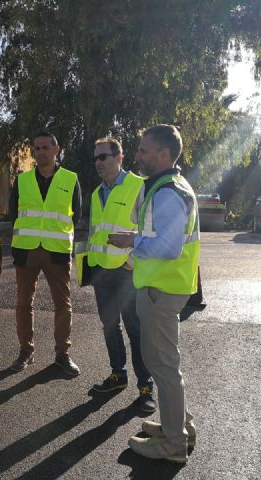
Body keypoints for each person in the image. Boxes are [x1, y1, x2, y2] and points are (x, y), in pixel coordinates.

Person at [109, 124, 199, 463]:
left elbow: (167, 246)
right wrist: (134, 236)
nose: (138, 156)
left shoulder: (168, 191)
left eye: (144, 150)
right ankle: (179, 426)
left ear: (163, 154)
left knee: (162, 366)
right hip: (162, 287)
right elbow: (161, 235)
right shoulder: (165, 186)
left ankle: (174, 444)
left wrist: (131, 241)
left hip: (162, 289)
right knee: (164, 364)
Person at [86, 138, 156, 413]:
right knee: (109, 326)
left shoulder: (139, 186)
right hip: (102, 272)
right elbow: (94, 232)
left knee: (135, 330)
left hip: (128, 273)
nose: (98, 163)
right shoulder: (96, 193)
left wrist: (132, 261)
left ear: (119, 157)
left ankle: (146, 386)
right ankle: (118, 375)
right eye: (96, 158)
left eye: (103, 157)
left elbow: (149, 230)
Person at [9, 131, 82, 376]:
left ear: (56, 150)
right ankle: (25, 351)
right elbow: (13, 214)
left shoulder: (71, 179)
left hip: (57, 251)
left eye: (45, 148)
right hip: (26, 250)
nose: (40, 152)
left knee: (63, 305)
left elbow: (77, 215)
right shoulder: (22, 180)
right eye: (36, 148)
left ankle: (62, 354)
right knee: (23, 303)